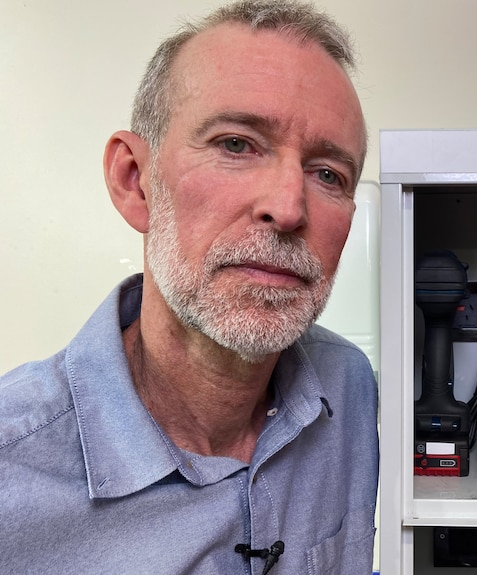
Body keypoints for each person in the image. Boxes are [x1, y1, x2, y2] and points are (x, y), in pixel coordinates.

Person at [0, 1, 378, 573]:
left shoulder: (349, 391)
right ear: (135, 181)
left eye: (328, 174)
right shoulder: (13, 471)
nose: (289, 207)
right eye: (236, 144)